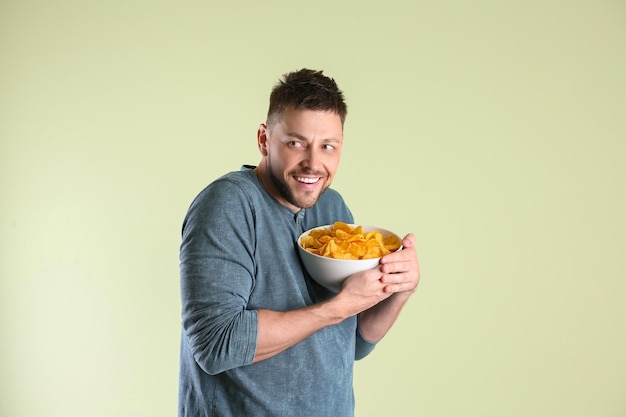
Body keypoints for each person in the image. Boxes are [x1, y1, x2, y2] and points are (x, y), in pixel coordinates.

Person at [178, 68, 420, 417]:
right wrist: (337, 307)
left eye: (328, 147)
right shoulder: (227, 205)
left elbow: (352, 343)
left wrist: (397, 288)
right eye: (296, 143)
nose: (313, 163)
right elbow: (215, 344)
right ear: (264, 139)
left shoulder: (333, 207)